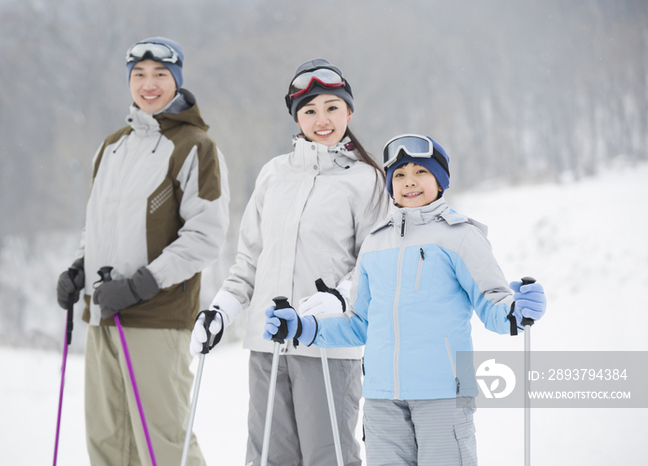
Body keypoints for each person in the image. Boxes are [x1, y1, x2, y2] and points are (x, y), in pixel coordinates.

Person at [264, 134, 548, 466]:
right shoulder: (374, 242)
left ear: (440, 181)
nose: (409, 182)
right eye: (399, 175)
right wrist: (303, 327)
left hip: (444, 392)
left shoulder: (461, 236)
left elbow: (492, 303)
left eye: (420, 173)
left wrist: (516, 311)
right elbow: (359, 323)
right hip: (382, 399)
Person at [189, 59, 387, 465]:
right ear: (297, 118)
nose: (322, 119)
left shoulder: (367, 180)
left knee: (326, 455)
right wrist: (222, 309)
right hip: (268, 343)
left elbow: (375, 261)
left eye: (332, 107)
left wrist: (342, 299)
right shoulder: (274, 175)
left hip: (327, 343)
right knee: (267, 457)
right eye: (309, 110)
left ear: (349, 111)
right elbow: (250, 259)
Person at [56, 36, 229, 466]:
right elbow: (98, 222)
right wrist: (80, 268)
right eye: (139, 75)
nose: (148, 85)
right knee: (108, 440)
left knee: (163, 444)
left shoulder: (195, 147)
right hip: (103, 315)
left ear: (177, 81)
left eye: (160, 75)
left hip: (156, 317)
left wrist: (140, 286)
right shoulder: (112, 146)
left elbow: (205, 237)